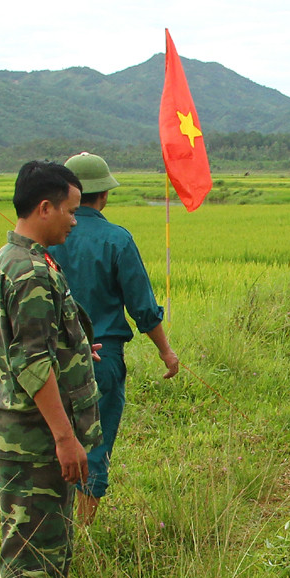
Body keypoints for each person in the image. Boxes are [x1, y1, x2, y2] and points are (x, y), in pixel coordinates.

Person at [0, 160, 101, 578]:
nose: (76, 221)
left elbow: (39, 348)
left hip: (33, 435)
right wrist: (65, 437)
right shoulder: (28, 270)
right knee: (32, 550)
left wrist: (78, 350)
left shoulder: (20, 259)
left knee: (49, 545)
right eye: (71, 211)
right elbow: (31, 364)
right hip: (35, 440)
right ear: (45, 207)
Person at [52, 153, 181, 527]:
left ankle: (53, 527)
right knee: (95, 443)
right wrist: (166, 352)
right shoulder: (117, 240)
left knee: (54, 440)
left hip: (51, 359)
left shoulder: (47, 238)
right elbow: (142, 308)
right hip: (101, 358)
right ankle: (83, 530)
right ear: (104, 195)